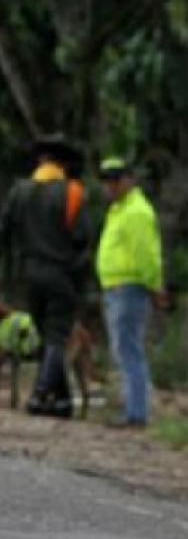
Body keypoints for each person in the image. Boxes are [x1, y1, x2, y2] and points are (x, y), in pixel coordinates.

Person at [0, 135, 91, 419]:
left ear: (41, 161)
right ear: (64, 164)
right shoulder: (73, 193)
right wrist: (77, 278)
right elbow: (83, 242)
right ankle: (40, 393)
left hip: (28, 275)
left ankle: (62, 401)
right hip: (60, 273)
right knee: (56, 334)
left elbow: (0, 234)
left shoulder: (20, 191)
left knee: (45, 334)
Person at [96, 157, 169, 429]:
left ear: (129, 179)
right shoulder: (119, 210)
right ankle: (132, 409)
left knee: (129, 350)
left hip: (129, 287)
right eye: (106, 181)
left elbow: (147, 255)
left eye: (115, 180)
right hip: (117, 286)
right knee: (124, 350)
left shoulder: (136, 212)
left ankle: (136, 413)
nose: (110, 186)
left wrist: (154, 285)